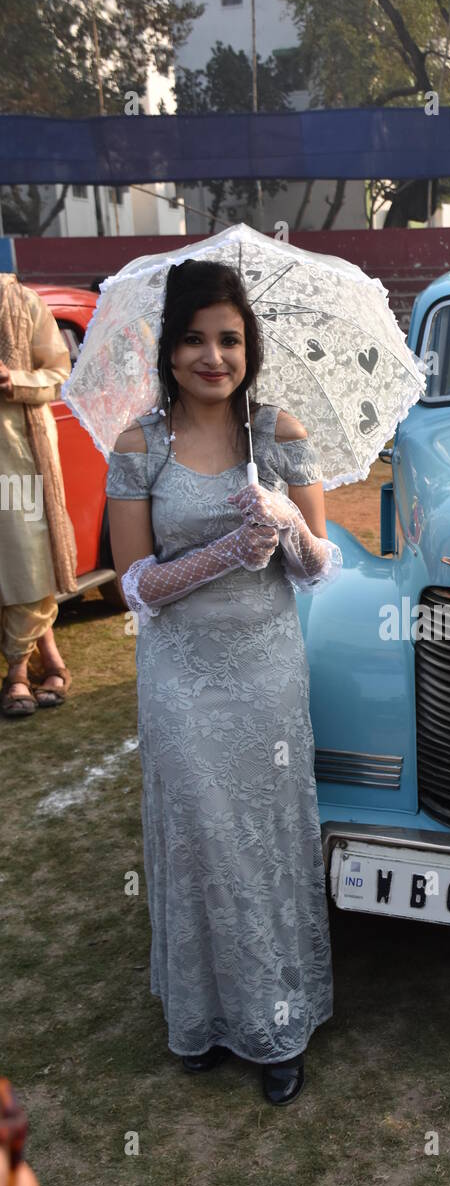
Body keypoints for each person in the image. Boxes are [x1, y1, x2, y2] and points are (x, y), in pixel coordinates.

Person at [105, 260, 342, 1105]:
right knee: (199, 835)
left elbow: (319, 568)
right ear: (169, 349)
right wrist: (215, 556)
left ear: (251, 347)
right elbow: (131, 585)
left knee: (265, 841)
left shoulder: (278, 430)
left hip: (267, 674)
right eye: (196, 339)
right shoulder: (140, 444)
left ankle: (277, 1022)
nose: (214, 356)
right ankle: (203, 1016)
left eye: (230, 339)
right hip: (180, 678)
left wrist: (283, 527)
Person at [0, 274, 76, 718]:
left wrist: (16, 380)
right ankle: (51, 659)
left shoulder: (20, 301)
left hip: (19, 458)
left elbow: (58, 371)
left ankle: (16, 674)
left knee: (26, 560)